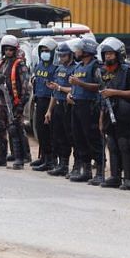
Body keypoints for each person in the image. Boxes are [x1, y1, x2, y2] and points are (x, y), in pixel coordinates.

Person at [98, 37, 130, 190]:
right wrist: (101, 118)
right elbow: (103, 95)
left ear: (118, 54)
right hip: (109, 112)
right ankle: (115, 177)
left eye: (110, 54)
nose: (107, 57)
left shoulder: (128, 71)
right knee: (112, 144)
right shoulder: (104, 72)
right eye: (105, 54)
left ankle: (129, 179)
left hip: (124, 112)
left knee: (125, 145)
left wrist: (115, 92)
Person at [0, 35, 31, 169]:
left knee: (15, 129)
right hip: (0, 102)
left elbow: (26, 87)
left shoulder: (20, 65)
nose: (8, 52)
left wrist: (20, 106)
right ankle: (1, 157)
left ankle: (20, 158)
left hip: (14, 102)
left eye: (11, 50)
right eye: (6, 49)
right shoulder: (1, 64)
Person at [68, 38, 105, 183]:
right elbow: (75, 85)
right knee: (79, 138)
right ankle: (86, 170)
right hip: (76, 105)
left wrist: (80, 84)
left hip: (90, 106)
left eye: (78, 49)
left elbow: (100, 86)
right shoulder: (78, 67)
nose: (76, 52)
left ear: (86, 51)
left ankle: (100, 172)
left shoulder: (96, 66)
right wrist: (71, 93)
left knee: (93, 138)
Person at [45, 41, 78, 177]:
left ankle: (76, 166)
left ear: (70, 55)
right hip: (58, 105)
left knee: (71, 137)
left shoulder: (75, 69)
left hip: (69, 106)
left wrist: (59, 88)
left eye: (64, 56)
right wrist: (49, 111)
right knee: (58, 137)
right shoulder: (59, 69)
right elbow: (54, 92)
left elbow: (75, 88)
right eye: (60, 56)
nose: (61, 58)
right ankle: (62, 164)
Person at [30, 38, 58, 172]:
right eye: (42, 51)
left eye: (47, 51)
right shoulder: (39, 66)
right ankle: (43, 157)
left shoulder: (56, 67)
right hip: (39, 100)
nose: (44, 53)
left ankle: (51, 160)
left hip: (50, 101)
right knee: (40, 130)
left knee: (49, 132)